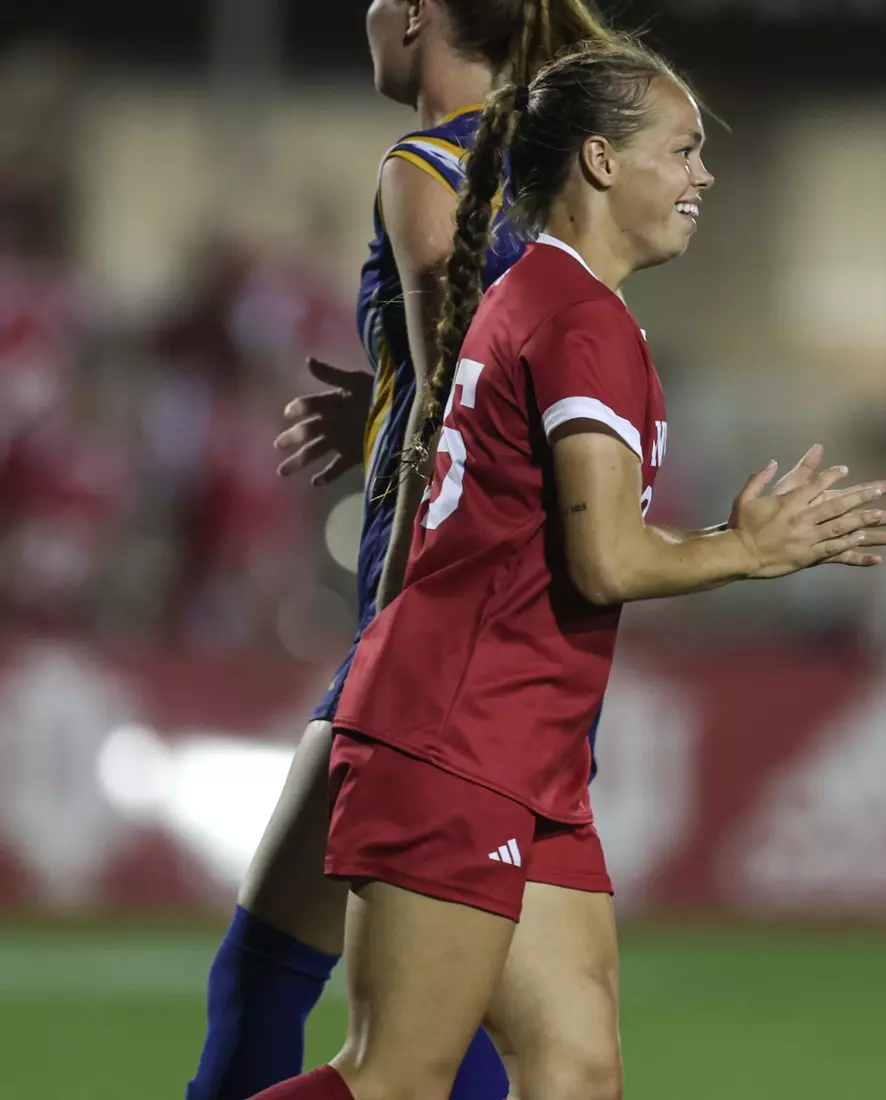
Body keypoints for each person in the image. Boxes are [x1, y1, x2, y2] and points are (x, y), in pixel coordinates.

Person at [247, 37, 886, 1100]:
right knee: (395, 1079)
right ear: (602, 162)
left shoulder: (542, 301)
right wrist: (748, 549)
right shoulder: (577, 318)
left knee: (576, 1070)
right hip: (456, 735)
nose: (703, 175)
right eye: (684, 150)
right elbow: (602, 558)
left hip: (517, 749)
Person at [188, 3, 619, 1099]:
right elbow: (517, 389)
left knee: (288, 989)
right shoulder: (550, 179)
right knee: (491, 1030)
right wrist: (379, 412)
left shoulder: (430, 168)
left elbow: (461, 408)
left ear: (418, 13)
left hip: (436, 646)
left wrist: (393, 632)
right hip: (519, 647)